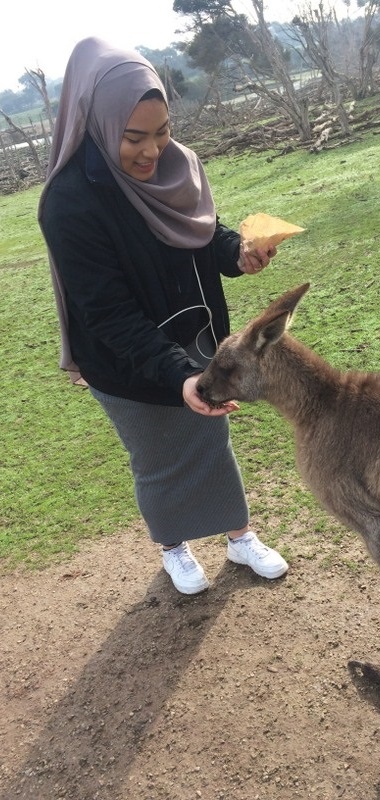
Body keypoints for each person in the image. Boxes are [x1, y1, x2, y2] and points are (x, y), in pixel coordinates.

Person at [38, 37, 288, 595]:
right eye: (134, 138)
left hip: (198, 340)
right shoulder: (71, 202)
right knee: (157, 456)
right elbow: (106, 313)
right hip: (127, 360)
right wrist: (177, 375)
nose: (153, 151)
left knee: (211, 443)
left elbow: (202, 234)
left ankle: (239, 536)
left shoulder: (180, 167)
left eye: (163, 131)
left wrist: (237, 254)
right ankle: (173, 547)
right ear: (96, 122)